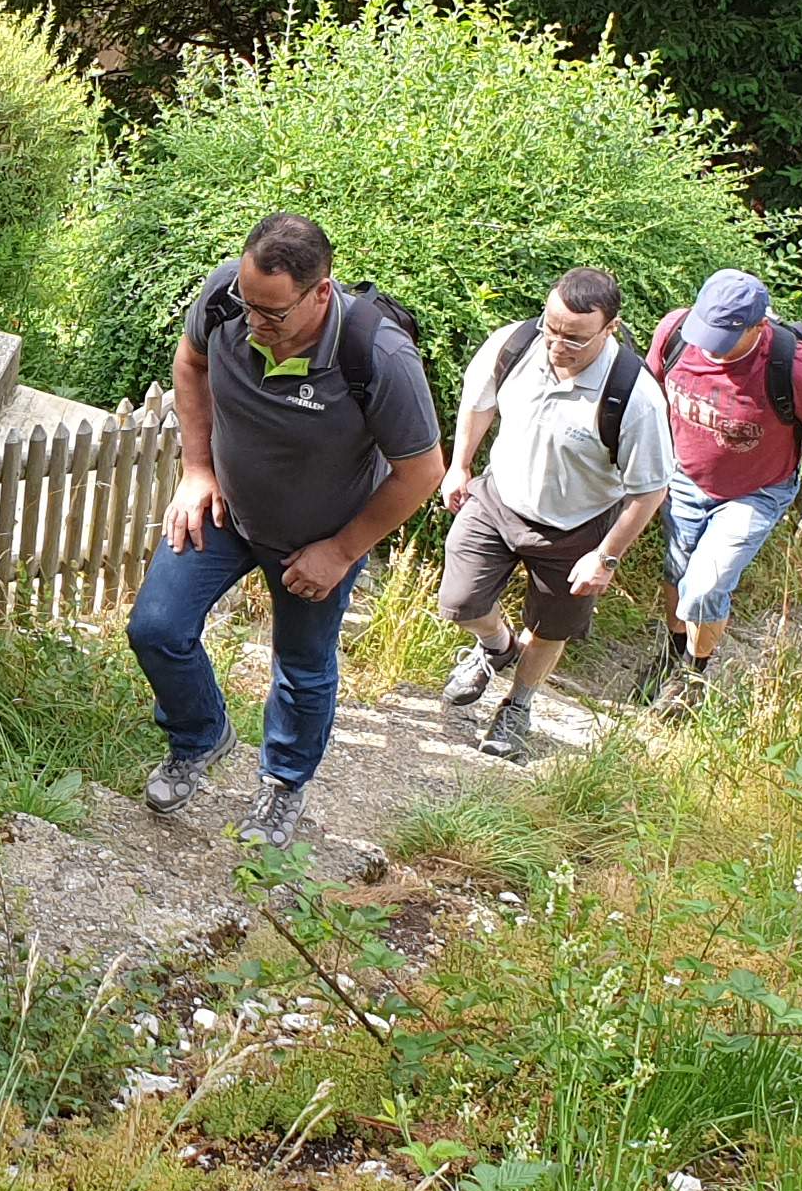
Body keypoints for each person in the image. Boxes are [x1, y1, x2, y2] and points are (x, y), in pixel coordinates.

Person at [131, 212, 446, 845]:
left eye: (273, 314)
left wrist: (341, 549)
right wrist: (197, 469)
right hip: (229, 512)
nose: (255, 324)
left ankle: (282, 785)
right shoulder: (229, 300)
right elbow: (189, 363)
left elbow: (422, 472)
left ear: (322, 292)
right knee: (156, 627)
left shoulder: (377, 354)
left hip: (318, 536)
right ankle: (199, 737)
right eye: (249, 305)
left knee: (301, 667)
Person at [438, 268, 676, 761]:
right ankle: (496, 648)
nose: (557, 344)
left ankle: (518, 707)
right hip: (499, 499)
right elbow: (478, 401)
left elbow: (650, 490)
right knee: (460, 601)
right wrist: (460, 466)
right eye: (552, 327)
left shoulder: (634, 396)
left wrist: (606, 557)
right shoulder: (515, 344)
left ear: (610, 328)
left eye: (574, 337)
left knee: (550, 628)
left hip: (576, 527)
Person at [643, 268, 802, 714]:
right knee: (678, 573)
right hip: (683, 477)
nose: (708, 346)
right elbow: (651, 396)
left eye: (723, 337)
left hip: (755, 492)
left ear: (759, 326)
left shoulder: (793, 366)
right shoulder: (676, 332)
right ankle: (673, 656)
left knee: (706, 585)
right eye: (707, 330)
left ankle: (693, 678)